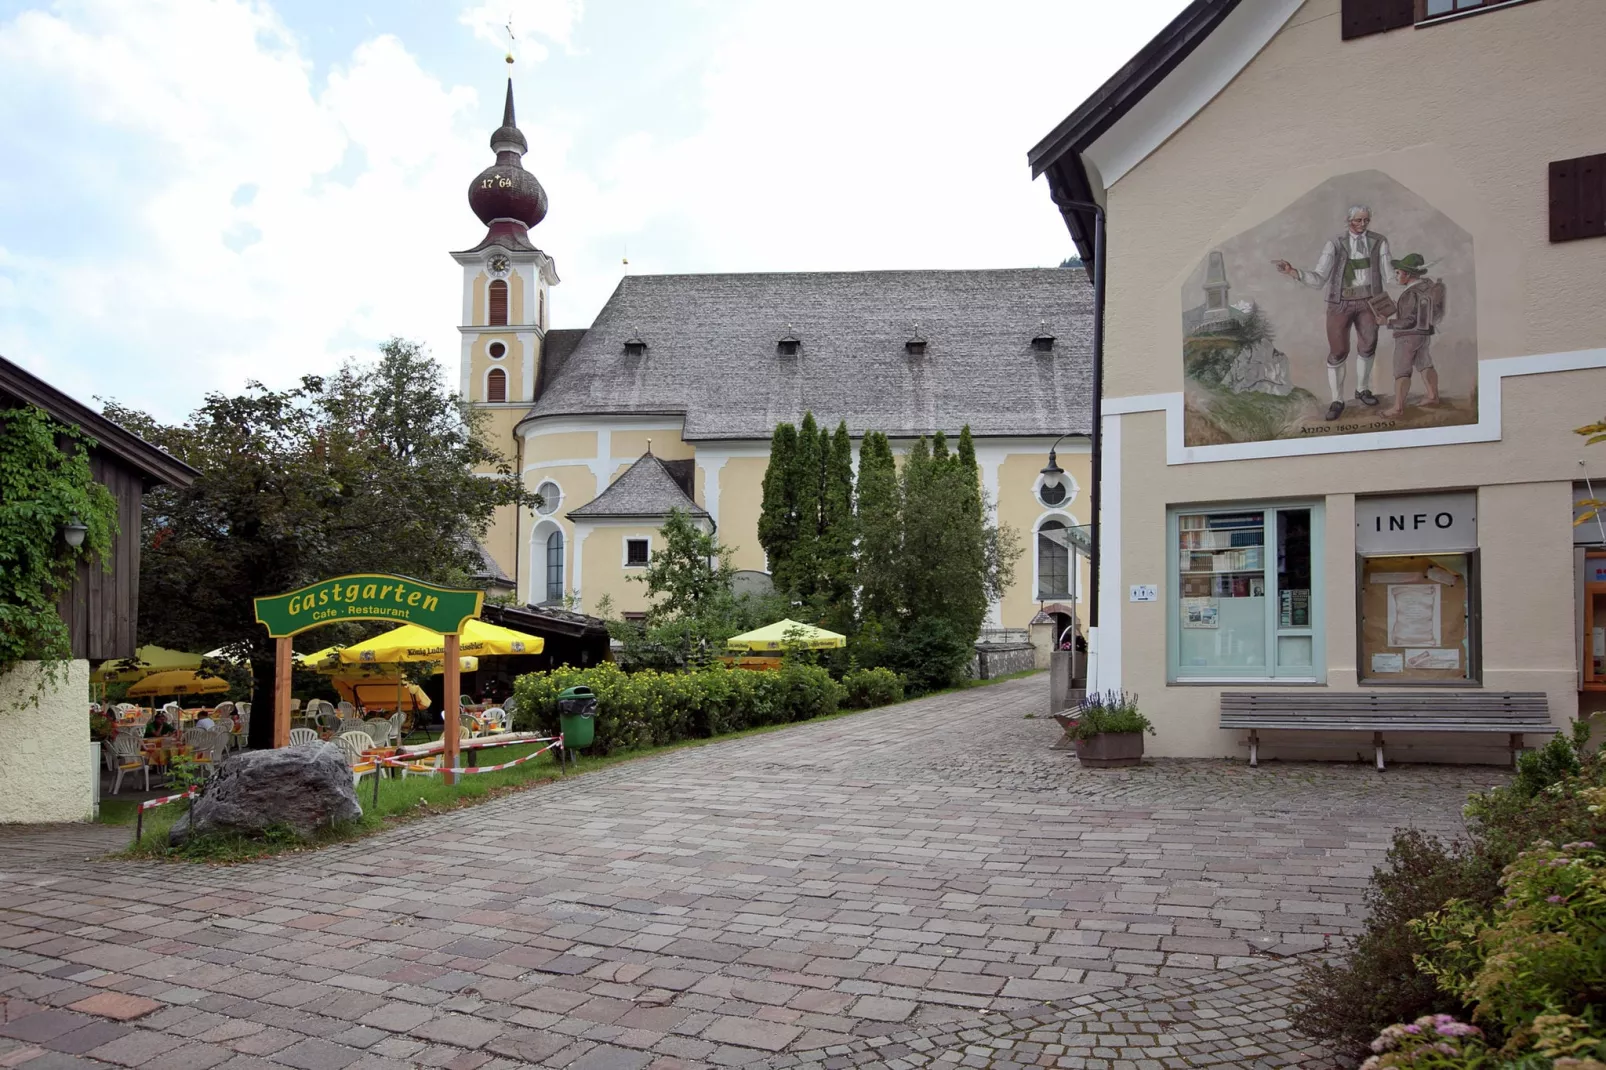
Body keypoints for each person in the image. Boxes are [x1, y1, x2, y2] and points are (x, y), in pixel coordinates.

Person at [1274, 205, 1394, 421]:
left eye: (1366, 220)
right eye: (1358, 220)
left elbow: (1389, 275)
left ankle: (1362, 390)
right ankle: (1337, 399)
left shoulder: (1379, 242)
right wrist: (1294, 272)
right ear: (1348, 221)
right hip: (1340, 304)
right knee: (1338, 351)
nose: (1362, 225)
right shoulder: (1335, 244)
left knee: (1368, 346)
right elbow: (1320, 278)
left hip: (1370, 302)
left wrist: (1413, 278)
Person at [1381, 253, 1446, 419]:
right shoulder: (1426, 286)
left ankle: (1398, 407)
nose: (1396, 276)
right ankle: (1432, 396)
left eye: (1398, 273)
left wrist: (1386, 323)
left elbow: (1409, 321)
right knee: (1425, 364)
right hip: (1423, 334)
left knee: (1401, 371)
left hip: (1408, 336)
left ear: (1408, 274)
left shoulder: (1410, 294)